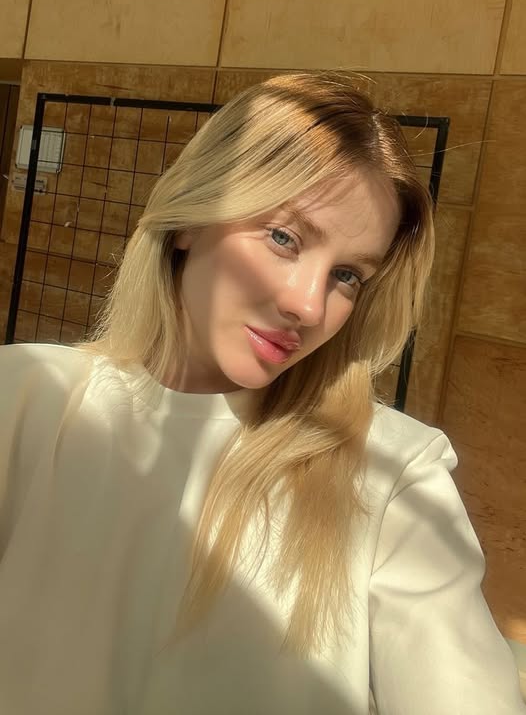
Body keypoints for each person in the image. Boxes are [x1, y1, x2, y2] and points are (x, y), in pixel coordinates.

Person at [0, 71, 524, 715]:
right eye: (284, 237)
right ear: (190, 221)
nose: (309, 305)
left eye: (347, 276)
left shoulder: (392, 475)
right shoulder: (24, 398)